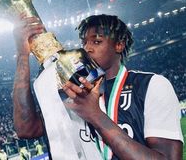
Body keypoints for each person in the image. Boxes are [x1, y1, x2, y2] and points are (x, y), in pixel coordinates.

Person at [13, 14, 183, 159]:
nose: (87, 48)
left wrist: (95, 115)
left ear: (119, 45)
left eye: (96, 41)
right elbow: (26, 129)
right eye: (84, 42)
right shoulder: (74, 92)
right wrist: (22, 55)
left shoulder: (151, 85)